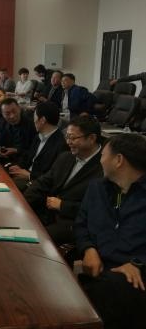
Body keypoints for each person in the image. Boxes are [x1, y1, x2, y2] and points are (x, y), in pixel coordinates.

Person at [74, 133, 146, 329]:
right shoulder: (96, 188)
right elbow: (81, 224)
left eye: (103, 155)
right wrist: (88, 249)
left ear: (119, 160)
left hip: (132, 275)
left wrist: (138, 263)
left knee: (110, 290)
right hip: (97, 266)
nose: (100, 160)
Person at [23, 115, 103, 244]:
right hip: (48, 212)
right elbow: (43, 182)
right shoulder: (65, 157)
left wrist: (63, 206)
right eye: (67, 137)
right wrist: (22, 202)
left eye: (72, 138)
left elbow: (97, 209)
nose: (68, 142)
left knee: (37, 240)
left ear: (91, 138)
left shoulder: (104, 168)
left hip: (72, 223)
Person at [8, 102, 68, 191]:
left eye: (35, 117)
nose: (33, 120)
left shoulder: (61, 144)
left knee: (8, 187)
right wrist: (19, 166)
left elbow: (53, 175)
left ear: (42, 120)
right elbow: (29, 156)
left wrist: (29, 175)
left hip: (38, 183)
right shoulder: (39, 136)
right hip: (26, 174)